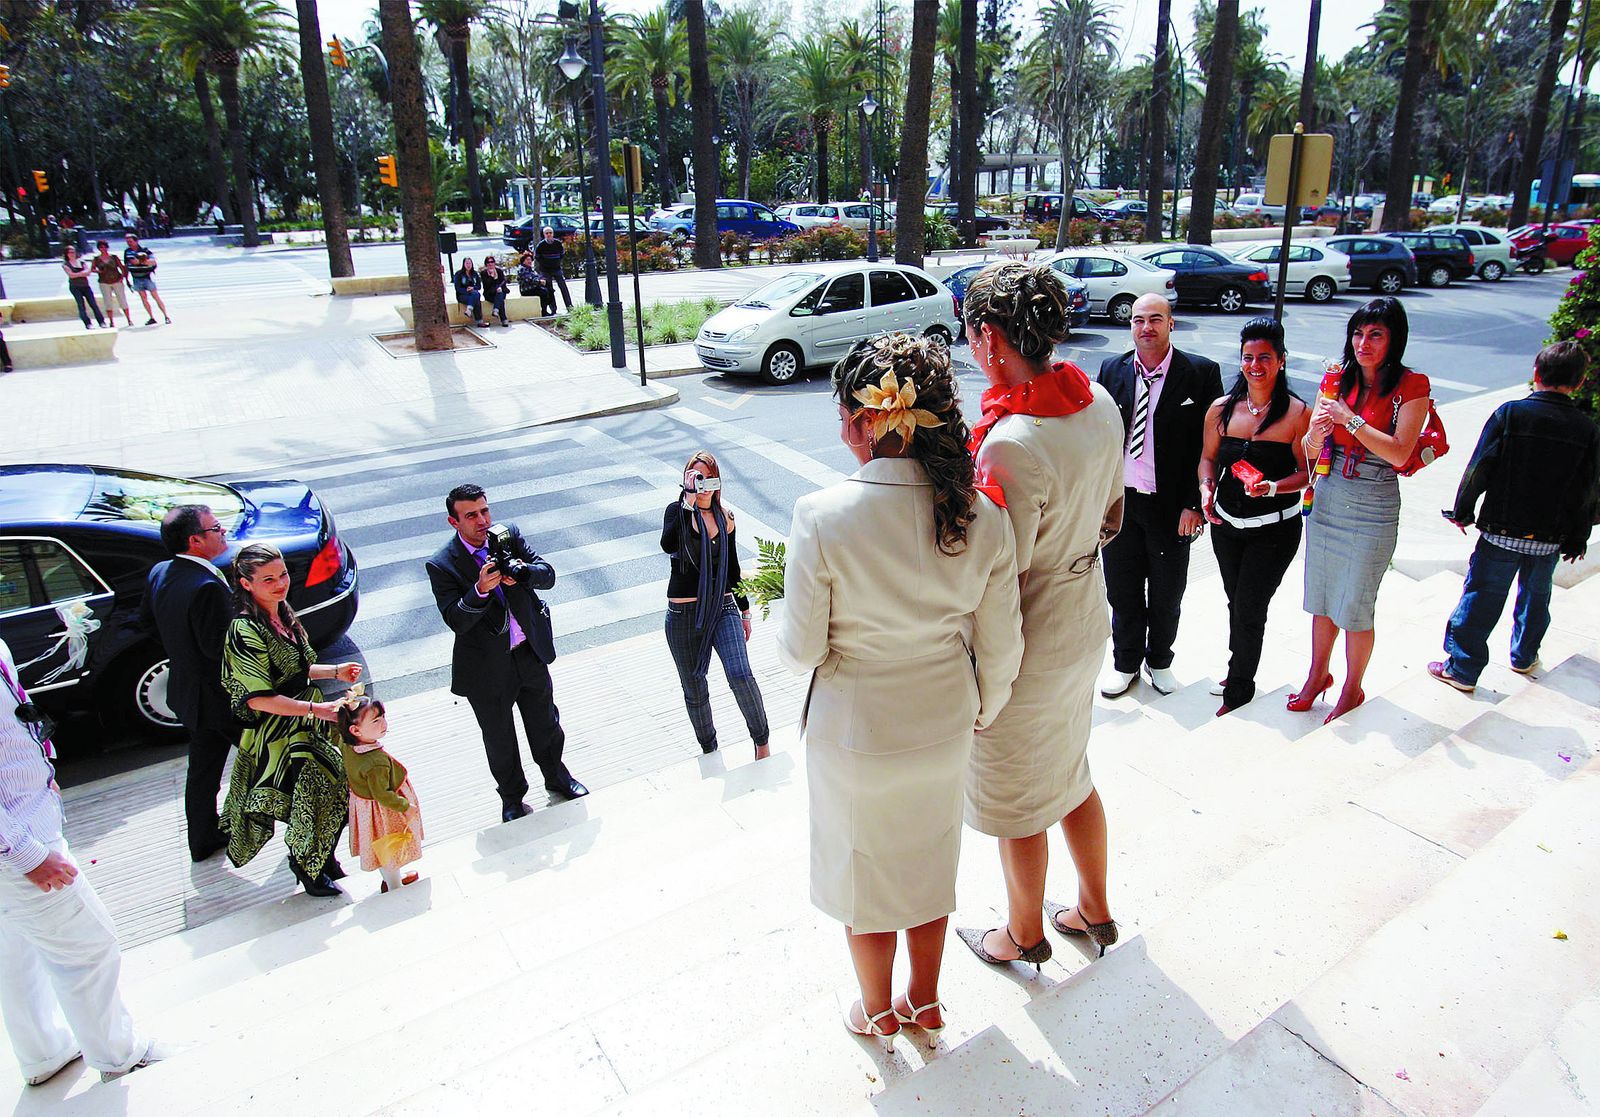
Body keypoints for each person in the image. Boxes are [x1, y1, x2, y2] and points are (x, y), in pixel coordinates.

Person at [777, 333, 1024, 1051]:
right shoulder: (981, 513)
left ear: (868, 420)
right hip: (945, 720)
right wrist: (986, 707)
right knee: (929, 856)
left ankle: (879, 1009)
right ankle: (927, 999)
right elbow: (1001, 641)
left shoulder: (821, 515)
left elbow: (801, 652)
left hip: (856, 733)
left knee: (866, 868)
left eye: (844, 415)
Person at [953, 261, 1128, 971]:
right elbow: (1114, 513)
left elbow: (999, 573)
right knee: (1072, 771)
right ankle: (1094, 907)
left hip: (1032, 634)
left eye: (971, 334)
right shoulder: (1099, 403)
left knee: (1021, 796)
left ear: (992, 339)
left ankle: (1023, 933)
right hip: (1087, 611)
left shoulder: (1011, 441)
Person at [0, 636, 166, 1086]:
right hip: (21, 845)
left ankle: (44, 1055)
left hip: (24, 823)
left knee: (18, 954)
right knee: (87, 947)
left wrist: (42, 772)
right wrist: (27, 855)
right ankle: (120, 1053)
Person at [1432, 341, 1600, 691]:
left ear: (1535, 374)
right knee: (1536, 598)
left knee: (1482, 596)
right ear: (1580, 383)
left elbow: (1480, 466)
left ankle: (1462, 669)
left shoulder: (1510, 414)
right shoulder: (1587, 429)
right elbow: (1587, 490)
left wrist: (1463, 510)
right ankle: (1524, 656)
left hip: (1500, 531)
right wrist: (1577, 537)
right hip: (1550, 537)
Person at [1297, 297, 1431, 723]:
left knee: (1354, 603)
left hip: (1373, 499)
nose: (1363, 343)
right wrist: (1317, 434)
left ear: (1395, 339)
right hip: (1331, 489)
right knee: (1320, 596)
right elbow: (1308, 450)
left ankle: (1352, 688)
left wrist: (1348, 419)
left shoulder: (1412, 386)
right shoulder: (1337, 380)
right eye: (1358, 333)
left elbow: (1398, 452)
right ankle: (1318, 675)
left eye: (1376, 334)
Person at [425, 484, 587, 822]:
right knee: (499, 739)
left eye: (485, 510)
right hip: (485, 669)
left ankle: (557, 777)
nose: (482, 520)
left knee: (545, 723)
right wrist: (480, 590)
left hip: (528, 651)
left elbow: (548, 574)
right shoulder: (442, 564)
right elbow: (455, 619)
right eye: (471, 515)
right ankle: (512, 799)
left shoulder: (507, 536)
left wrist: (523, 573)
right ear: (454, 522)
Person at [1096, 294, 1223, 698]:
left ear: (1171, 324)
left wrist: (1194, 503)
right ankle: (1125, 662)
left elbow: (1211, 447)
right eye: (1138, 320)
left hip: (1172, 508)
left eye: (1155, 319)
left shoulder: (1200, 374)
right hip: (1121, 504)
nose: (1146, 327)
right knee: (1122, 589)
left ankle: (1160, 660)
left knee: (1167, 592)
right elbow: (1101, 438)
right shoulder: (1111, 369)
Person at [220, 544, 359, 896]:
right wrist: (317, 710)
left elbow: (294, 669)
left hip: (308, 718)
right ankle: (307, 865)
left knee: (333, 790)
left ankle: (320, 857)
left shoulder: (281, 611)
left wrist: (335, 671)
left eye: (282, 575)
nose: (280, 584)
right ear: (246, 583)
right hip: (280, 729)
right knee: (316, 794)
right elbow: (259, 696)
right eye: (269, 579)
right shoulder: (243, 630)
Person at [1198, 318, 1311, 715]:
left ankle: (1239, 691)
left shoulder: (1298, 413)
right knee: (1236, 603)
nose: (1255, 365)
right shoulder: (1221, 410)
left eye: (1265, 357)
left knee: (1249, 608)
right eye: (1248, 357)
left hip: (1275, 531)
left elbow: (1307, 472)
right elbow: (1208, 459)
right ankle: (1238, 667)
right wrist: (1206, 488)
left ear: (1281, 360)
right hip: (1227, 526)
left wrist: (1274, 487)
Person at [141, 505, 236, 862]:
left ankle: (203, 837)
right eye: (216, 528)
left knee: (203, 770)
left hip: (188, 691)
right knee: (273, 758)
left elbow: (148, 623)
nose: (223, 532)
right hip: (221, 699)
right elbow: (220, 650)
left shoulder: (161, 572)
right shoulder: (207, 586)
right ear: (195, 541)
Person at [661, 451, 771, 760]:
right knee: (694, 688)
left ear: (717, 481)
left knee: (740, 673)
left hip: (722, 608)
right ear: (687, 480)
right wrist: (688, 502)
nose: (703, 485)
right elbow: (668, 544)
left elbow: (732, 568)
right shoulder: (677, 511)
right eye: (696, 478)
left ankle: (762, 742)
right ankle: (709, 749)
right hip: (683, 614)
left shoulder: (726, 517)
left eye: (708, 478)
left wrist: (745, 610)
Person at [335, 695, 424, 894]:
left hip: (366, 810)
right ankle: (395, 887)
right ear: (355, 730)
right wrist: (405, 806)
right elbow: (382, 795)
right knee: (389, 846)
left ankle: (392, 880)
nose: (383, 723)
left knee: (380, 847)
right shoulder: (375, 762)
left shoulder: (347, 745)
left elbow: (336, 731)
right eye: (375, 721)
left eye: (383, 717)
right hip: (383, 813)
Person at [122, 237, 170, 325]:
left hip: (147, 276)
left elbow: (152, 261)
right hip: (136, 277)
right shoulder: (127, 252)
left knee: (155, 296)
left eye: (131, 241)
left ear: (136, 241)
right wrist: (126, 278)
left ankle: (166, 316)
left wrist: (140, 261)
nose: (129, 243)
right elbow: (127, 265)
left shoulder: (145, 250)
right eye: (128, 242)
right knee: (143, 298)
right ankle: (151, 317)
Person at [60, 246, 106, 330]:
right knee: (81, 305)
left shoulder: (81, 261)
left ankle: (101, 322)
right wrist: (82, 273)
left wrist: (78, 274)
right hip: (75, 287)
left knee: (93, 304)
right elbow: (71, 275)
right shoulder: (66, 264)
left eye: (73, 252)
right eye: (70, 252)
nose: (72, 254)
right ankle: (88, 324)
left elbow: (88, 272)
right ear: (66, 254)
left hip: (85, 286)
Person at [90, 241, 132, 328]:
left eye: (104, 247)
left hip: (116, 280)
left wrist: (122, 277)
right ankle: (111, 321)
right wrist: (99, 271)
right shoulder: (96, 259)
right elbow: (92, 269)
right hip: (104, 281)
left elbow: (121, 267)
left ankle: (129, 319)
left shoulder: (114, 257)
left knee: (122, 300)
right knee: (108, 302)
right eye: (101, 247)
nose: (103, 249)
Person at [534, 226, 573, 312]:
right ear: (544, 235)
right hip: (545, 270)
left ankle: (569, 306)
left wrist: (556, 261)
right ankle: (553, 309)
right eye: (547, 233)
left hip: (556, 268)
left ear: (553, 234)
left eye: (550, 233)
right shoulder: (541, 245)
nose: (549, 235)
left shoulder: (558, 244)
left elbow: (562, 254)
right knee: (550, 289)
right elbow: (537, 257)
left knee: (563, 287)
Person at [517, 250, 556, 316]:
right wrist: (539, 281)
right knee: (544, 292)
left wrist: (542, 279)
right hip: (526, 290)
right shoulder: (522, 269)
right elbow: (529, 279)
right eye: (527, 260)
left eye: (530, 260)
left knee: (549, 289)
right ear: (523, 261)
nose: (529, 261)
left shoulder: (529, 268)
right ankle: (543, 311)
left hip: (534, 287)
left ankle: (552, 309)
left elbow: (537, 276)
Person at [452, 257, 486, 327]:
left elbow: (479, 286)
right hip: (462, 295)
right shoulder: (459, 274)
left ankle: (469, 310)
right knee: (476, 296)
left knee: (476, 294)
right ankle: (479, 321)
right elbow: (457, 288)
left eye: (470, 263)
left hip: (473, 294)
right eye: (467, 263)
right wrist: (466, 290)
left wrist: (473, 288)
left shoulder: (475, 274)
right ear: (463, 264)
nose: (468, 265)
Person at [480, 254, 511, 327]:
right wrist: (491, 277)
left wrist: (499, 288)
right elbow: (486, 286)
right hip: (490, 294)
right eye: (488, 262)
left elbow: (503, 283)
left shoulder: (499, 271)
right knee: (500, 299)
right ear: (486, 264)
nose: (490, 264)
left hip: (500, 292)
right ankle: (503, 319)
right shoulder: (484, 273)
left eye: (492, 262)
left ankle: (496, 310)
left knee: (500, 294)